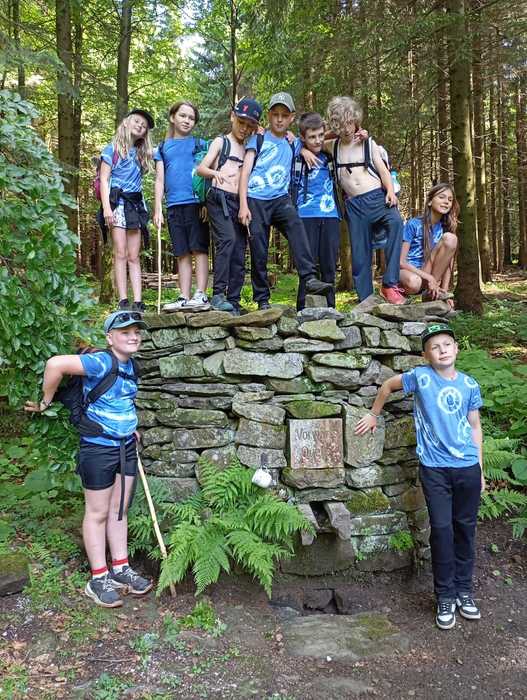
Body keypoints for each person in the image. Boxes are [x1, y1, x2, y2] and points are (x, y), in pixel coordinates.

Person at [355, 323, 485, 630]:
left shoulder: (469, 385)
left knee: (465, 530)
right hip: (434, 469)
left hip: (467, 467)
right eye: (434, 347)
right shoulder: (420, 377)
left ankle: (464, 592)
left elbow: (475, 426)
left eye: (447, 344)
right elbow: (388, 386)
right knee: (441, 530)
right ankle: (445, 596)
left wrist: (480, 468)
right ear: (426, 355)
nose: (442, 350)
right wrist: (373, 413)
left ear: (457, 349)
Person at [24, 311, 153, 608]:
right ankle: (98, 578)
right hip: (98, 449)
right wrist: (45, 402)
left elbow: (120, 401)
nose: (133, 336)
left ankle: (120, 568)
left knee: (119, 510)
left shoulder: (132, 366)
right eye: (125, 332)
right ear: (110, 338)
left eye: (136, 332)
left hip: (125, 446)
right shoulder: (100, 362)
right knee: (97, 512)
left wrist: (128, 428)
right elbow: (55, 364)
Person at [238, 92, 333, 309]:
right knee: (259, 249)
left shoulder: (293, 142)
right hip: (255, 199)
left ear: (292, 118)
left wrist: (305, 150)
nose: (279, 120)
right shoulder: (258, 139)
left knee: (296, 227)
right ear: (269, 116)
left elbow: (319, 138)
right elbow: (245, 173)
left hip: (281, 199)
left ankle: (309, 277)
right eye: (275, 115)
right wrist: (243, 204)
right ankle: (262, 299)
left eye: (284, 115)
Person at [325, 96, 406, 305]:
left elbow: (383, 170)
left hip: (378, 198)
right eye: (341, 124)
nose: (346, 129)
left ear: (356, 121)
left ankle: (390, 284)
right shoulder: (332, 146)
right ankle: (366, 298)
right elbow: (310, 140)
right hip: (354, 206)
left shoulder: (367, 143)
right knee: (360, 252)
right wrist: (331, 131)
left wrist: (390, 191)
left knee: (396, 223)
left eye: (350, 123)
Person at [196, 97, 262, 314]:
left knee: (240, 249)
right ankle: (218, 294)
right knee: (227, 240)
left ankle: (233, 299)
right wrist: (216, 174)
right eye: (241, 122)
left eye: (250, 125)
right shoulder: (221, 142)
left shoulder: (249, 147)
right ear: (232, 117)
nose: (244, 129)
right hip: (219, 198)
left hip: (239, 202)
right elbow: (201, 169)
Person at [153, 101, 210, 311]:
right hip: (173, 205)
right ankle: (184, 296)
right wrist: (158, 208)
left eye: (191, 118)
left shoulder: (200, 144)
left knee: (199, 248)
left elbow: (210, 169)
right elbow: (160, 180)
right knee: (182, 252)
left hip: (196, 203)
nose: (187, 120)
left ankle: (201, 294)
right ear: (172, 117)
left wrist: (206, 201)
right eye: (183, 116)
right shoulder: (162, 148)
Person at [98, 109, 154, 312]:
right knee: (120, 252)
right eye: (137, 121)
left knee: (134, 255)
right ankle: (123, 301)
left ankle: (138, 301)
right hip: (118, 204)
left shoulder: (142, 154)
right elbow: (104, 179)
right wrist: (107, 208)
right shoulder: (111, 149)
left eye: (144, 126)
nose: (140, 125)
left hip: (135, 206)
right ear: (126, 122)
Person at [292, 112, 341, 310]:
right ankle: (302, 310)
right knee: (308, 267)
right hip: (305, 215)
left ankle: (330, 309)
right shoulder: (296, 155)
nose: (318, 140)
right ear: (303, 137)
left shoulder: (329, 154)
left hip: (331, 215)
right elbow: (284, 139)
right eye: (312, 137)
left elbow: (344, 135)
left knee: (329, 266)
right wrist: (302, 149)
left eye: (321, 135)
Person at [399, 183, 458, 305]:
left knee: (451, 238)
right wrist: (429, 278)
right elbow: (401, 262)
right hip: (409, 272)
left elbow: (448, 263)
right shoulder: (413, 224)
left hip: (428, 272)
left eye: (450, 199)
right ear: (430, 201)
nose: (446, 202)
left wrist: (445, 293)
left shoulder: (445, 229)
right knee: (414, 282)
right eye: (441, 197)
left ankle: (431, 295)